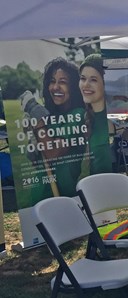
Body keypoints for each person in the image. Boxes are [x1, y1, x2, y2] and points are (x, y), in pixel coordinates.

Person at [19, 57, 86, 205]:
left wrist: (34, 109)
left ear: (73, 87)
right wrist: (32, 136)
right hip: (40, 194)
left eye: (63, 82)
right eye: (52, 81)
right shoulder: (49, 116)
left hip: (63, 197)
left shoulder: (78, 114)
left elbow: (52, 153)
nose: (55, 87)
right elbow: (36, 161)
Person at [79, 53, 111, 176]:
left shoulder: (114, 116)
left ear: (105, 82)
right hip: (91, 187)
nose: (86, 85)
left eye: (93, 79)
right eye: (83, 78)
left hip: (115, 185)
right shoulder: (82, 117)